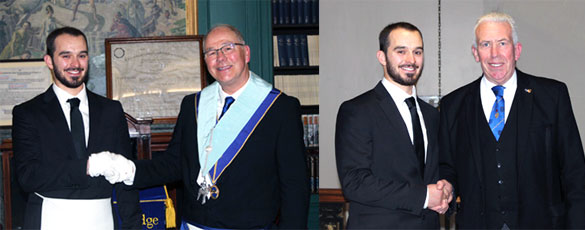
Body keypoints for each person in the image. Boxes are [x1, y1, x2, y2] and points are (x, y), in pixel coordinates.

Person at [91, 24, 310, 229]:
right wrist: (127, 169)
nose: (220, 57)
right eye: (211, 52)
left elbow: (294, 186)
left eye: (228, 47)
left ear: (247, 53)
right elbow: (174, 164)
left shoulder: (280, 108)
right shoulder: (192, 105)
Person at [438, 12, 585, 229]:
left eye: (502, 43)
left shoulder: (552, 97)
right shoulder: (453, 106)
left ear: (517, 50)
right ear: (475, 53)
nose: (494, 54)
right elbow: (447, 168)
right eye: (485, 44)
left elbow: (575, 177)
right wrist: (446, 187)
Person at [11, 27, 141, 229]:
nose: (75, 64)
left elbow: (125, 178)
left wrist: (133, 225)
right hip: (50, 218)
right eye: (66, 56)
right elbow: (28, 177)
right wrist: (88, 167)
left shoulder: (111, 111)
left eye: (82, 55)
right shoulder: (28, 113)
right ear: (49, 61)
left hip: (102, 220)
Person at [335, 22, 451, 229]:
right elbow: (354, 183)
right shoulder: (357, 111)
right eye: (401, 51)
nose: (411, 60)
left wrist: (447, 188)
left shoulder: (432, 115)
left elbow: (436, 169)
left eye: (417, 52)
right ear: (382, 57)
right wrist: (424, 196)